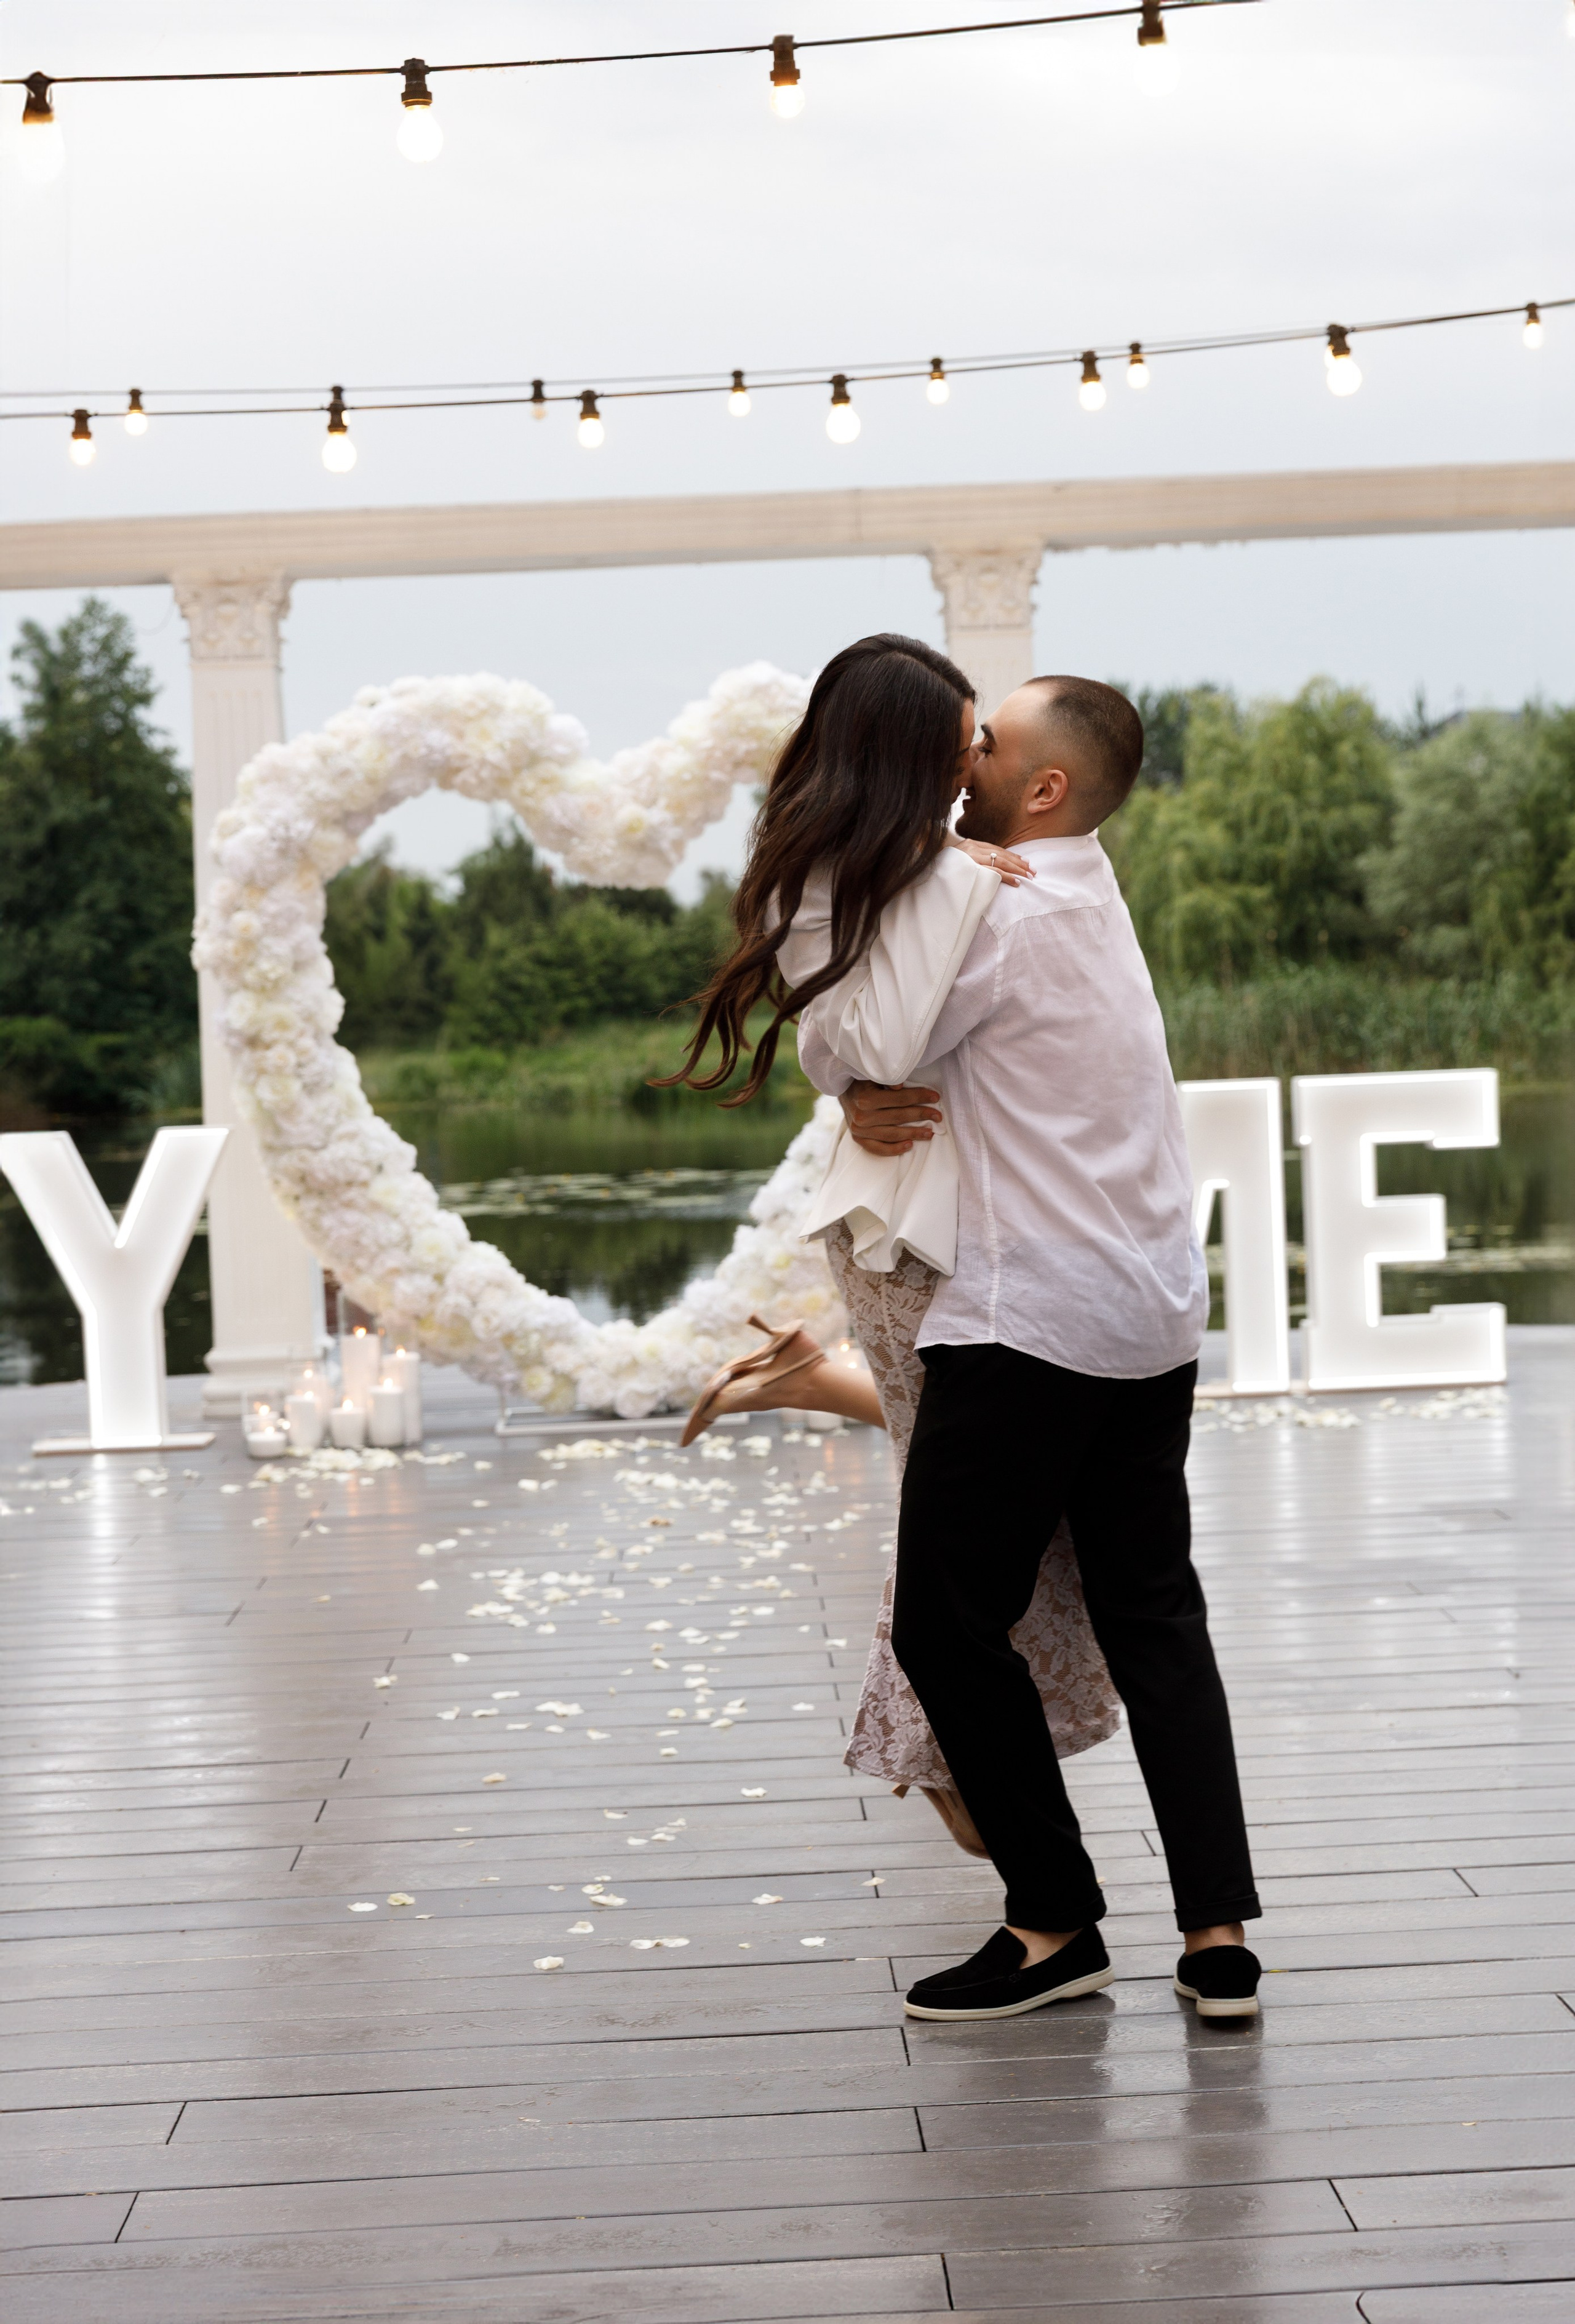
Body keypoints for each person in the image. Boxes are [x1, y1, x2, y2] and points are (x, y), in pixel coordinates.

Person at [803, 674, 1262, 2024]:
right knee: (1154, 1616)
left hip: (1031, 1322)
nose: (965, 757)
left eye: (987, 743)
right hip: (1151, 1316)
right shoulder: (1089, 885)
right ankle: (1217, 1935)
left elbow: (859, 1034)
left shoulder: (990, 906)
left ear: (1042, 788)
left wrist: (850, 1063)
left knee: (950, 1629)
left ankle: (1051, 1918)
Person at [669, 634, 1120, 1853]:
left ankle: (814, 1384)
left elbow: (862, 1042)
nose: (981, 757)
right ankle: (954, 1771)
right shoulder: (843, 871)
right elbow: (856, 1040)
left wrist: (946, 875)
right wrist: (952, 883)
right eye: (964, 736)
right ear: (905, 749)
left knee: (987, 1497)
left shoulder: (930, 859)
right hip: (901, 1228)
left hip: (954, 1205)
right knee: (964, 1525)